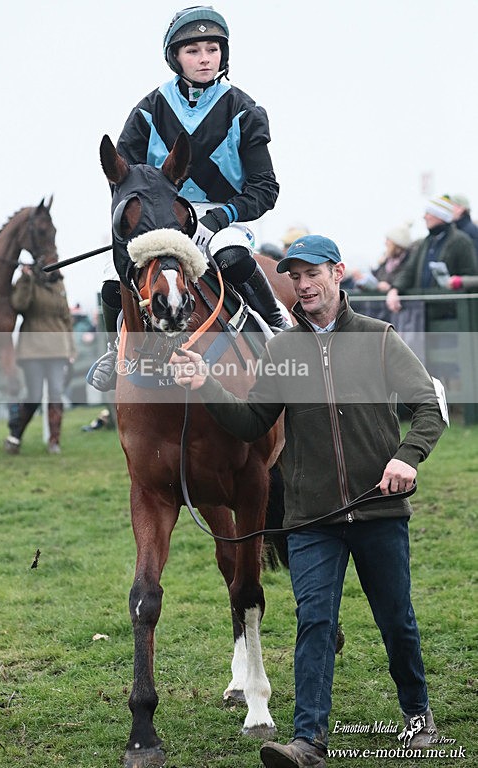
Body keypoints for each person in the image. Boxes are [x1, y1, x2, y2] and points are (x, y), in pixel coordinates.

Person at [171, 234, 447, 768]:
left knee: (397, 620)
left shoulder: (379, 338)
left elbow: (428, 408)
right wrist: (206, 383)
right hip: (311, 518)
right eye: (294, 276)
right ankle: (308, 741)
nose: (303, 285)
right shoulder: (282, 348)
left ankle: (418, 716)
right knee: (314, 622)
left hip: (378, 509)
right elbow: (253, 421)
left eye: (312, 273)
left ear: (338, 272)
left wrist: (407, 457)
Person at [89, 5, 285, 391]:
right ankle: (116, 349)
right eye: (193, 51)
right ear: (175, 57)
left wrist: (219, 216)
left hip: (223, 219)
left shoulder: (244, 110)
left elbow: (266, 188)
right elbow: (123, 179)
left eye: (212, 49)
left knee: (232, 256)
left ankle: (276, 327)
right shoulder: (149, 110)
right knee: (122, 274)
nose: (204, 59)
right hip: (165, 221)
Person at [4, 265, 76, 455]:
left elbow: (66, 317)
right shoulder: (27, 281)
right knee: (33, 396)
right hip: (33, 349)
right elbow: (19, 304)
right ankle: (15, 435)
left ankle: (54, 441)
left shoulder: (59, 283)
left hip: (58, 348)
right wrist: (26, 280)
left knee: (56, 394)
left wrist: (71, 348)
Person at [386, 196, 478, 313]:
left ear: (440, 216)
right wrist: (395, 289)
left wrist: (457, 282)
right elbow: (409, 271)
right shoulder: (424, 243)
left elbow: (470, 273)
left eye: (429, 213)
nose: (425, 217)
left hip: (451, 314)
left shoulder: (461, 241)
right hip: (424, 312)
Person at [354, 223, 413, 293]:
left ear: (397, 245)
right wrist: (362, 279)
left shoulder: (408, 263)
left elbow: (404, 281)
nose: (385, 243)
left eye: (388, 240)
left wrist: (390, 287)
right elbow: (375, 279)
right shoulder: (385, 263)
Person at [448, 193, 478, 257]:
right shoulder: (454, 228)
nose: (448, 209)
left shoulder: (470, 230)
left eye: (451, 206)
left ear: (460, 209)